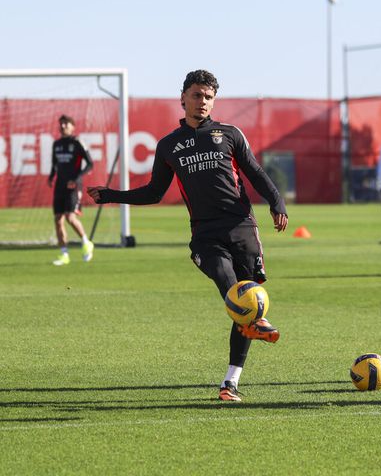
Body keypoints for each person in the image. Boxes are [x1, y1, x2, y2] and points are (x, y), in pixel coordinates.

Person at [87, 70, 288, 402]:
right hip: (205, 234)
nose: (202, 101)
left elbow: (254, 171)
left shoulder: (230, 134)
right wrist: (110, 195)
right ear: (183, 98)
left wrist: (276, 202)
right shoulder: (169, 146)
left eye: (208, 96)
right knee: (236, 293)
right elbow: (153, 193)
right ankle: (255, 320)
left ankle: (230, 382)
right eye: (196, 95)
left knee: (244, 303)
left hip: (242, 228)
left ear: (214, 101)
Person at [48, 115, 95, 266]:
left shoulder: (77, 142)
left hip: (74, 186)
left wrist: (76, 179)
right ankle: (64, 254)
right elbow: (54, 164)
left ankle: (86, 242)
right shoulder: (56, 144)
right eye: (61, 124)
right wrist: (51, 177)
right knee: (58, 219)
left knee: (70, 217)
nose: (63, 126)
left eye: (66, 123)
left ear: (73, 126)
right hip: (60, 186)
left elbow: (90, 164)